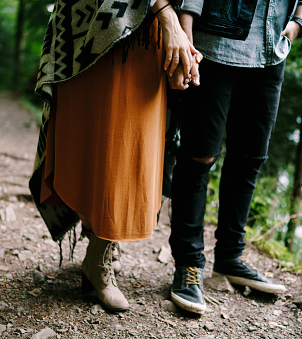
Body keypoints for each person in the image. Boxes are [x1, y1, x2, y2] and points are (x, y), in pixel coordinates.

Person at [28, 0, 201, 312]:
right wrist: (167, 16)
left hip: (148, 33)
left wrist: (182, 36)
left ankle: (100, 251)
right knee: (93, 139)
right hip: (94, 23)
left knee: (129, 148)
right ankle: (99, 243)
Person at [166, 0, 302, 314]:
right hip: (214, 45)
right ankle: (189, 265)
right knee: (198, 158)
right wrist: (186, 31)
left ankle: (231, 256)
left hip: (272, 48)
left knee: (250, 159)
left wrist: (300, 17)